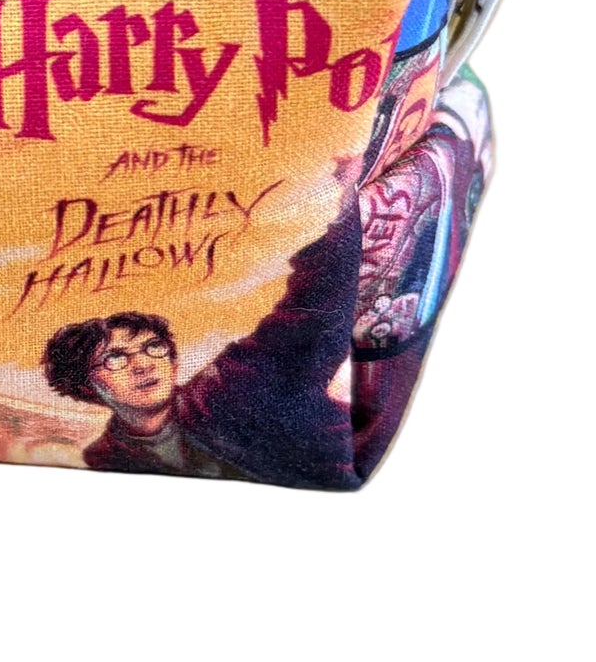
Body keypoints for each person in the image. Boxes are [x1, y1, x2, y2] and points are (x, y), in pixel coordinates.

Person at [43, 199, 363, 489]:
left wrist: (342, 210)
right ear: (84, 386)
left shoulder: (231, 385)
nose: (143, 364)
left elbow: (309, 316)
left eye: (153, 347)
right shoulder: (105, 458)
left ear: (174, 361)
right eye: (115, 358)